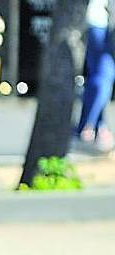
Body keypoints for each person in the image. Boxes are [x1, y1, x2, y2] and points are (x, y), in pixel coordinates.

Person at [77, 0, 115, 154]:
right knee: (104, 75)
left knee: (99, 75)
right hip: (100, 19)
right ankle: (89, 124)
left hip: (99, 19)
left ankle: (97, 125)